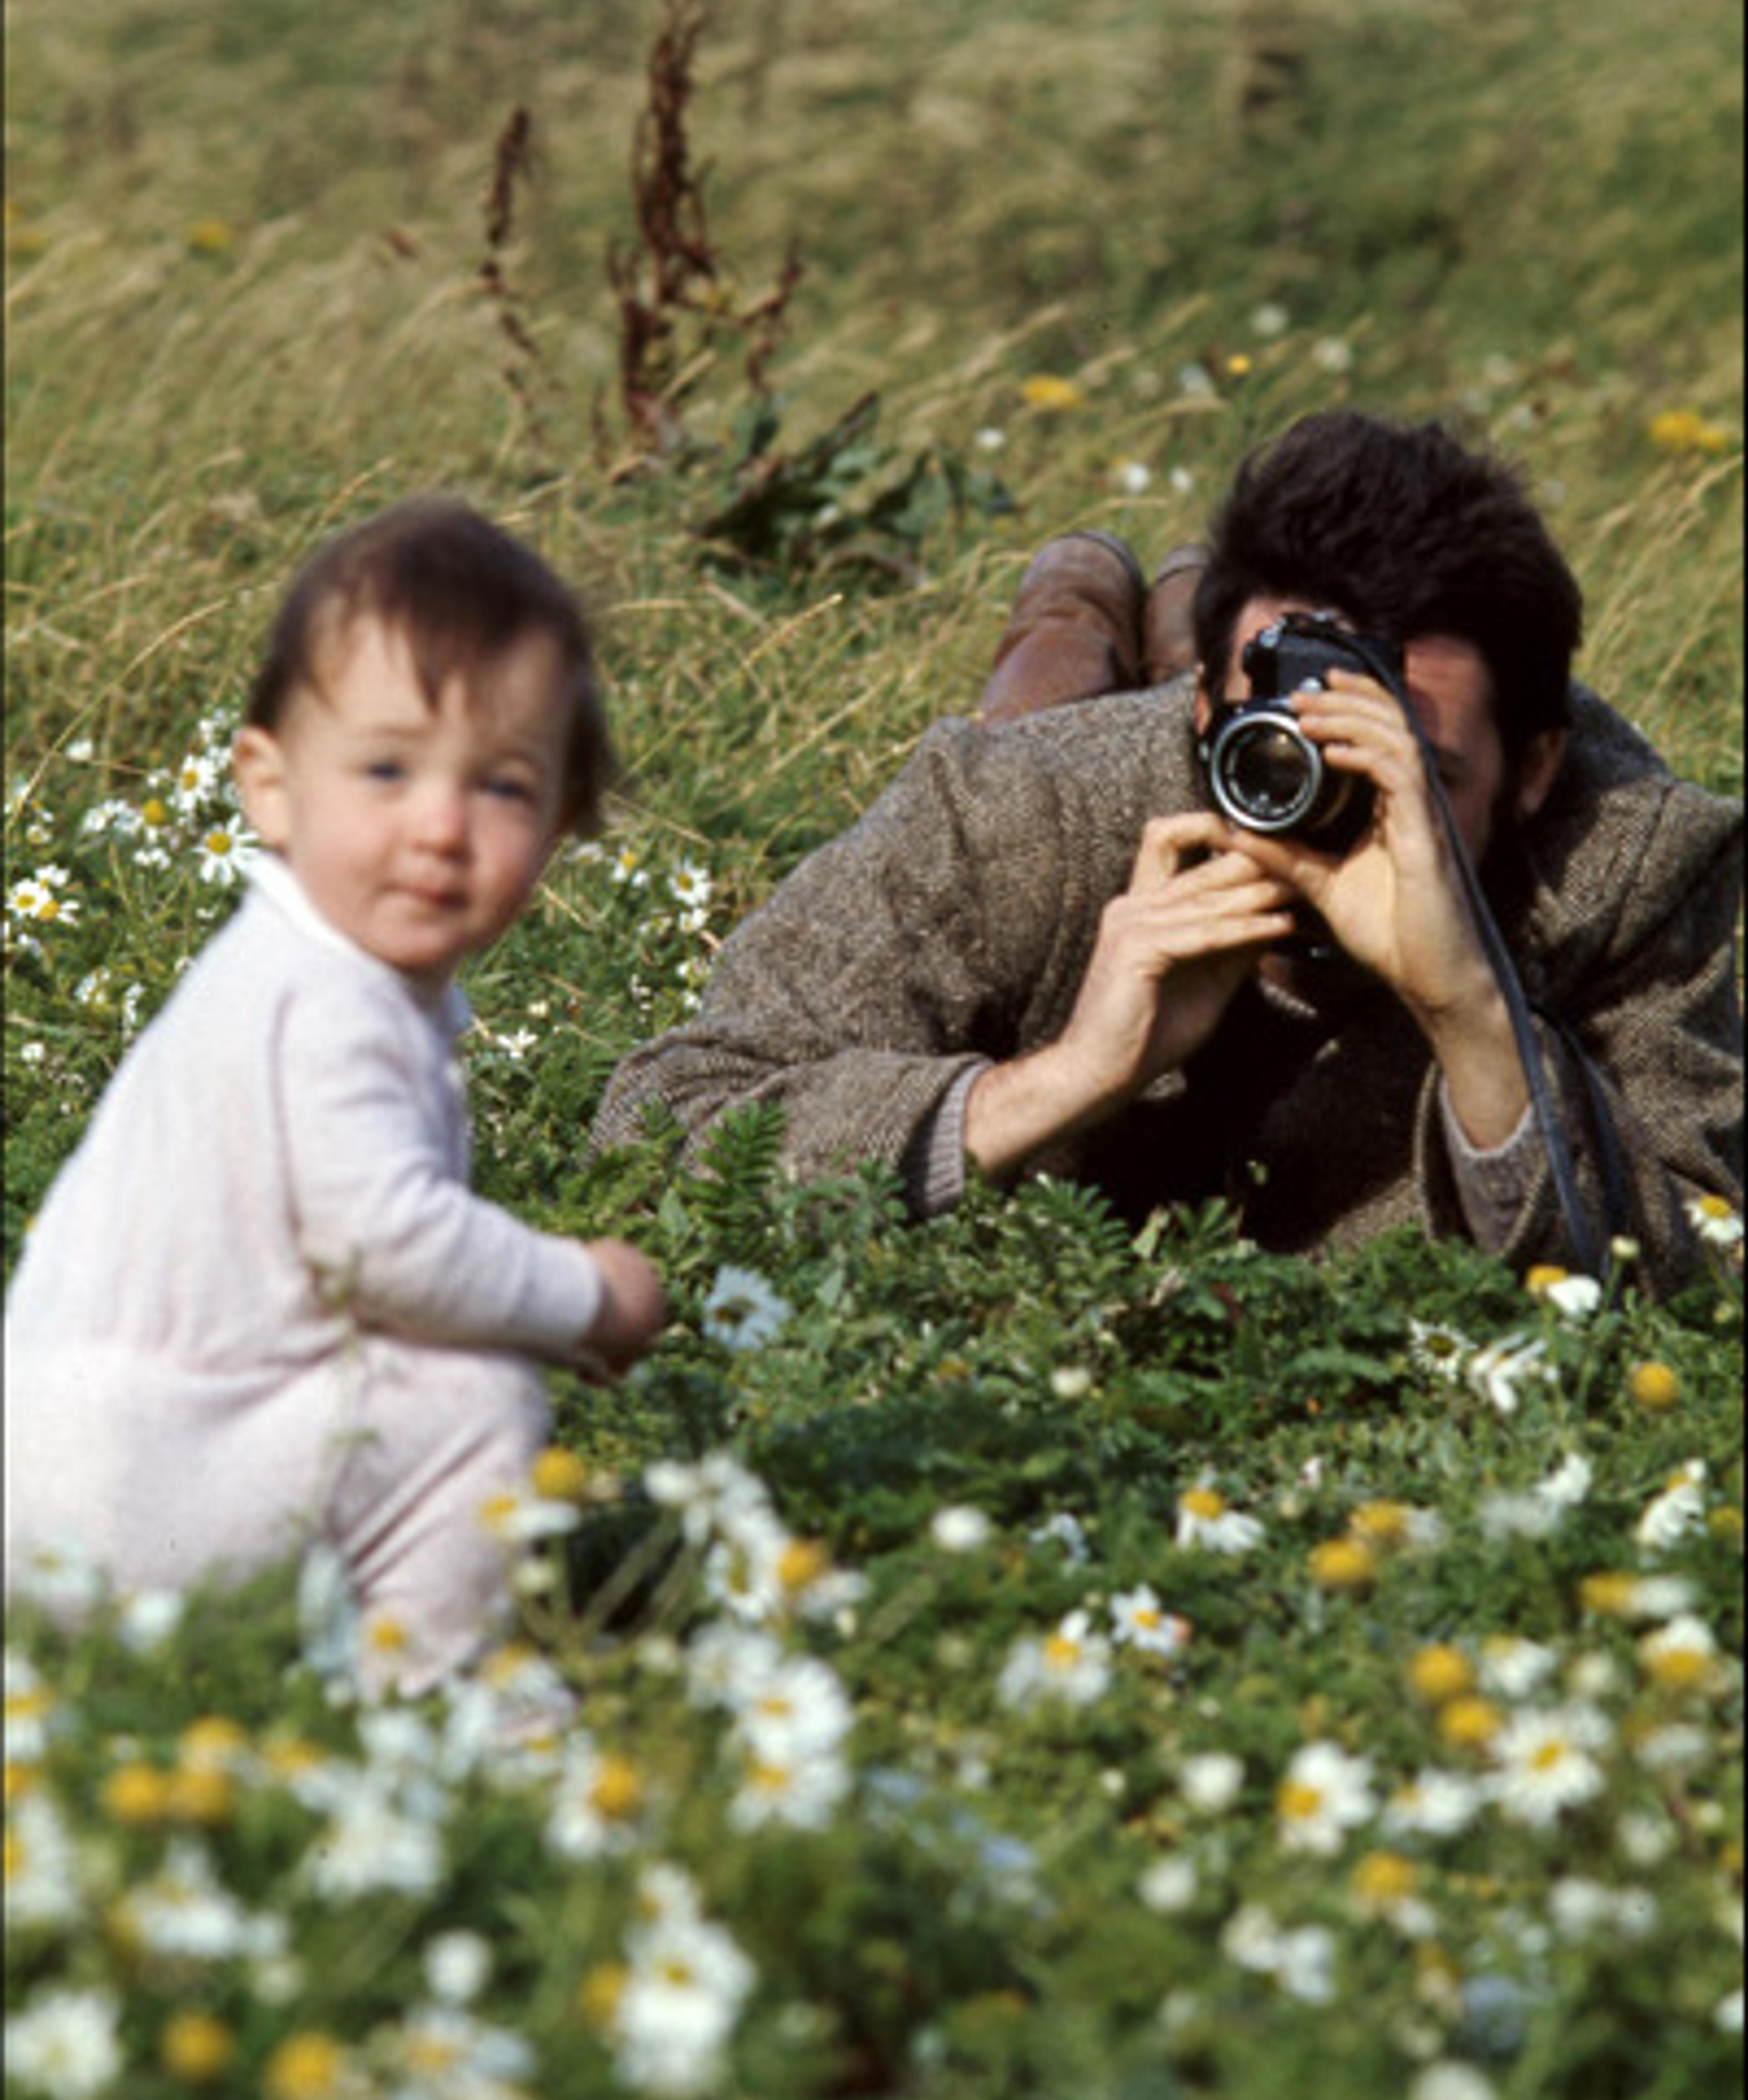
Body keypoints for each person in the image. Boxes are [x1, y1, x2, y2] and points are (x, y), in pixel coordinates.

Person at [593, 411, 1743, 1299]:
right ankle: (1074, 610)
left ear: (1534, 770)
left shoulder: (1626, 858)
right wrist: (1072, 1071)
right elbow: (664, 1122)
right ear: (1203, 708)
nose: (1323, 807)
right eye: (1274, 751)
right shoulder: (1020, 803)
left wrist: (1474, 1011)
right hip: (1091, 762)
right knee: (1040, 728)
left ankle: (1172, 608)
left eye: (1406, 772)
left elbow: (1708, 1261)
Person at [5, 497, 667, 1695]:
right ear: (269, 788)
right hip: (122, 1488)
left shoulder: (310, 973)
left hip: (104, 1465)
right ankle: (433, 1696)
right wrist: (586, 1295)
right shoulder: (324, 1004)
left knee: (418, 1375)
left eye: (502, 786)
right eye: (386, 769)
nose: (440, 828)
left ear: (559, 824)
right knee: (473, 1397)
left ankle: (302, 1652)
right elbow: (385, 1248)